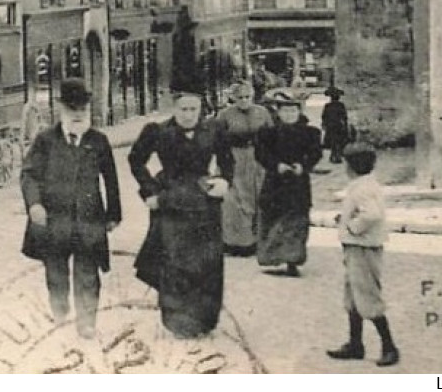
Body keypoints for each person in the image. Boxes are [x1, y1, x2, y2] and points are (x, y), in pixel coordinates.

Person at [20, 79, 124, 338]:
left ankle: (87, 321)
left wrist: (114, 214)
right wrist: (34, 204)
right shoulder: (46, 141)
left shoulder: (98, 141)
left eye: (82, 109)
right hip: (54, 220)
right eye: (72, 109)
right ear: (61, 110)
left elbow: (110, 179)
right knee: (56, 273)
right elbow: (29, 175)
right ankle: (60, 312)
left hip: (89, 220)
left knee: (88, 273)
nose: (78, 114)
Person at [129, 88, 236, 338]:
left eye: (193, 110)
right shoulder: (157, 131)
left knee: (207, 262)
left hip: (204, 201)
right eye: (183, 110)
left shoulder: (214, 130)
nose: (188, 115)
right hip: (170, 201)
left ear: (200, 110)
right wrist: (149, 192)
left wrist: (224, 181)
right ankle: (177, 321)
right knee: (173, 262)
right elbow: (136, 160)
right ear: (174, 109)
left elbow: (228, 161)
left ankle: (205, 318)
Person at [326, 143, 400, 367]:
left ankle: (389, 347)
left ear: (352, 166)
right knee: (353, 297)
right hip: (357, 247)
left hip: (363, 248)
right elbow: (362, 212)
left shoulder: (361, 188)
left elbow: (372, 215)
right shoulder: (365, 184)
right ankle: (355, 344)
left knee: (367, 296)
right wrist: (345, 218)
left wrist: (351, 227)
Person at [254, 89, 323, 277]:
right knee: (273, 218)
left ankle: (293, 260)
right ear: (278, 112)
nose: (289, 115)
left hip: (298, 184)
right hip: (274, 183)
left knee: (296, 221)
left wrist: (304, 165)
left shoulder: (311, 133)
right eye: (285, 111)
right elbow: (261, 154)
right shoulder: (268, 133)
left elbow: (316, 153)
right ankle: (273, 258)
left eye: (293, 111)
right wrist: (276, 166)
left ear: (299, 112)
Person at [216, 82, 271, 257]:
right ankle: (236, 242)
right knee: (235, 200)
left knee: (258, 195)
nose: (244, 101)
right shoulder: (225, 115)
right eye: (240, 98)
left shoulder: (262, 112)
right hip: (235, 158)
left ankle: (257, 239)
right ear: (233, 98)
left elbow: (272, 134)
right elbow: (216, 137)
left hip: (257, 158)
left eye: (247, 97)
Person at [321, 88, 351, 164]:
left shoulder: (327, 106)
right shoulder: (341, 105)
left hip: (330, 126)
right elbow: (344, 117)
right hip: (338, 126)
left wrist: (324, 124)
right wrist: (345, 125)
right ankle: (337, 156)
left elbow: (324, 116)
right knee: (338, 141)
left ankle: (334, 155)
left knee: (333, 141)